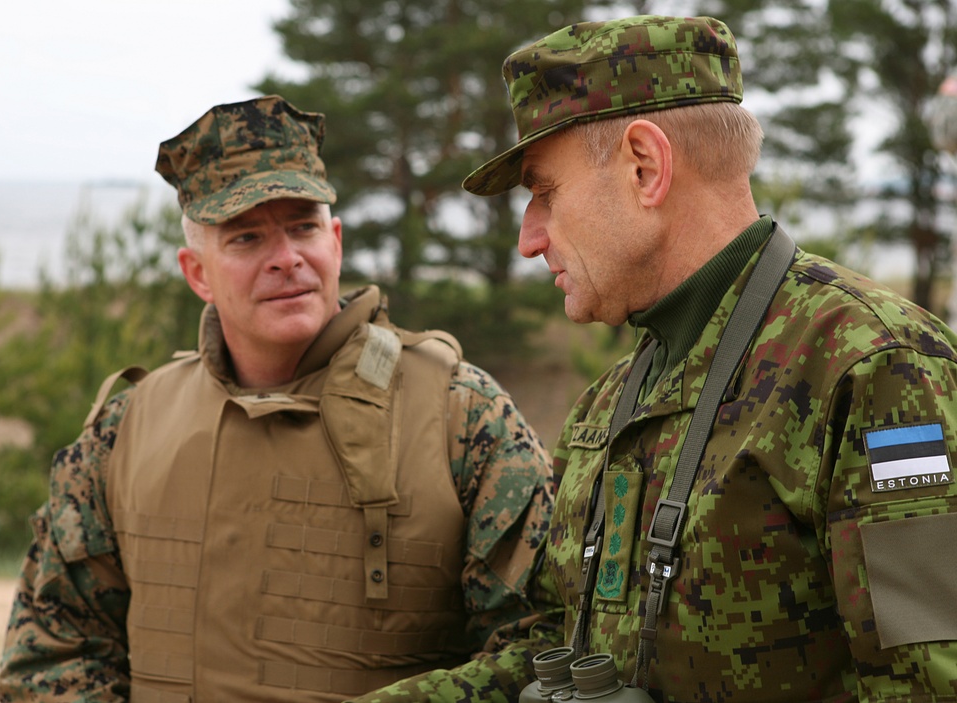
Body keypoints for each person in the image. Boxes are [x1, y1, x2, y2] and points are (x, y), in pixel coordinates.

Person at [350, 14, 957, 702]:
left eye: (544, 192)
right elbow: (553, 645)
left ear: (645, 166)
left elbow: (931, 680)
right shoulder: (609, 404)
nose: (529, 238)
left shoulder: (874, 368)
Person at [0, 95, 560, 703]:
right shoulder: (127, 428)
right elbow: (51, 655)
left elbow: (541, 648)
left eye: (303, 226)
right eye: (246, 237)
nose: (287, 258)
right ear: (197, 273)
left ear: (335, 242)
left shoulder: (459, 413)